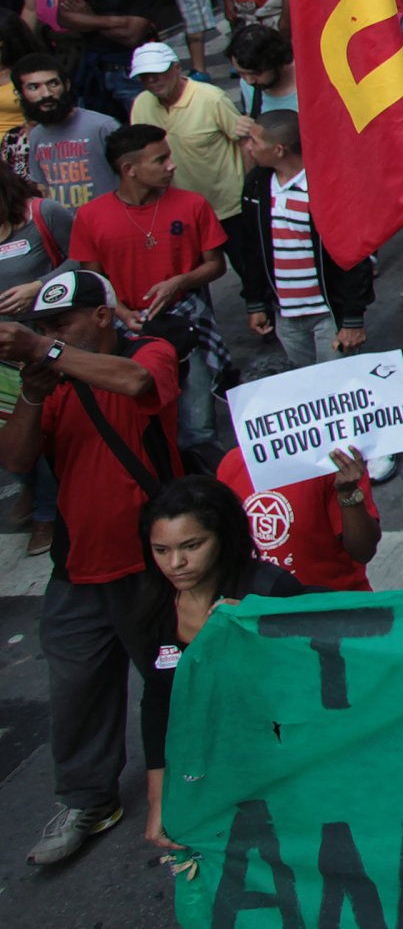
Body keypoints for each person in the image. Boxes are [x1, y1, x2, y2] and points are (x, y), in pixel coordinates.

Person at [0, 270, 183, 866]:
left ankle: (195, 791)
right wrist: (31, 387)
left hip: (155, 565)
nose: (51, 334)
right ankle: (88, 800)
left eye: (63, 323)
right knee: (75, 690)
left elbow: (136, 384)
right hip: (78, 569)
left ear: (102, 316)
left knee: (174, 687)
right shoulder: (52, 379)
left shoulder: (147, 350)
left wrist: (44, 349)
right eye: (43, 326)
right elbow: (17, 459)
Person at [133, 475, 309, 849]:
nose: (175, 563)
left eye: (192, 546)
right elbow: (158, 702)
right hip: (214, 772)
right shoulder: (153, 605)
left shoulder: (269, 590)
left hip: (288, 764)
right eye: (161, 550)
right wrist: (157, 801)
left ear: (223, 537)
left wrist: (261, 626)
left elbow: (314, 679)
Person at [70, 126, 227, 449]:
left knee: (199, 424)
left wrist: (180, 282)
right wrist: (123, 312)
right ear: (129, 169)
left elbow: (216, 265)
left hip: (186, 323)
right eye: (161, 159)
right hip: (127, 329)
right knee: (142, 422)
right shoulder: (90, 216)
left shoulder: (192, 204)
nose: (172, 165)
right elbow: (94, 282)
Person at [231, 109, 374, 371]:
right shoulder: (256, 185)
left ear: (279, 150)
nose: (248, 147)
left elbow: (355, 255)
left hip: (328, 316)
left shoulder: (326, 188)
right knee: (304, 391)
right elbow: (251, 248)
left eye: (255, 142)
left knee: (339, 388)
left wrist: (352, 319)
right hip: (285, 316)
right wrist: (255, 302)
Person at [127, 41, 248, 250]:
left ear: (176, 68)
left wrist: (249, 193)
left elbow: (245, 142)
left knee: (250, 270)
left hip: (228, 207)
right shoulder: (141, 103)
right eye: (145, 75)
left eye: (158, 72)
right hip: (178, 211)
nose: (152, 80)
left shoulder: (211, 98)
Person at [214, 442, 378, 594]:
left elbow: (363, 551)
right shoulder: (233, 462)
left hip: (331, 608)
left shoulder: (338, 461)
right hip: (262, 612)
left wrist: (348, 494)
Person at [6, 53, 120, 207]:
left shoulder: (103, 126)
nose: (46, 94)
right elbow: (43, 187)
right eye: (34, 87)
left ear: (66, 85)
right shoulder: (36, 135)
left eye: (53, 84)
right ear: (21, 94)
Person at [228, 25, 298, 117]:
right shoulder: (247, 85)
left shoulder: (309, 81)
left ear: (276, 62)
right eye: (241, 74)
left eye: (256, 74)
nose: (249, 81)